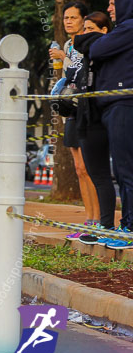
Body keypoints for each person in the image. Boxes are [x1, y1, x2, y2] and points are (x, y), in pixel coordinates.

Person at [75, 0, 133, 248]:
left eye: (113, 4)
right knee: (120, 171)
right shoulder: (122, 29)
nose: (109, 9)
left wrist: (91, 42)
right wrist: (93, 41)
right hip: (109, 106)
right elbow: (90, 47)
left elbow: (96, 51)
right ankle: (122, 226)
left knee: (125, 169)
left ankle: (130, 228)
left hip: (123, 104)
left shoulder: (129, 27)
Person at [49, 1, 100, 239]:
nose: (68, 21)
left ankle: (100, 221)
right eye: (65, 18)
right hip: (70, 109)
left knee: (90, 167)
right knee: (79, 169)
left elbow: (82, 70)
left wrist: (64, 56)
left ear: (84, 19)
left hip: (87, 109)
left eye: (73, 17)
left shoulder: (88, 42)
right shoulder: (69, 44)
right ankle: (88, 220)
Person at [73, 12, 119, 245]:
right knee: (94, 174)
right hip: (83, 118)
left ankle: (108, 226)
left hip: (100, 119)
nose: (84, 34)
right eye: (84, 29)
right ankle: (104, 225)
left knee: (106, 176)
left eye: (90, 28)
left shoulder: (103, 52)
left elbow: (80, 43)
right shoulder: (86, 54)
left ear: (105, 31)